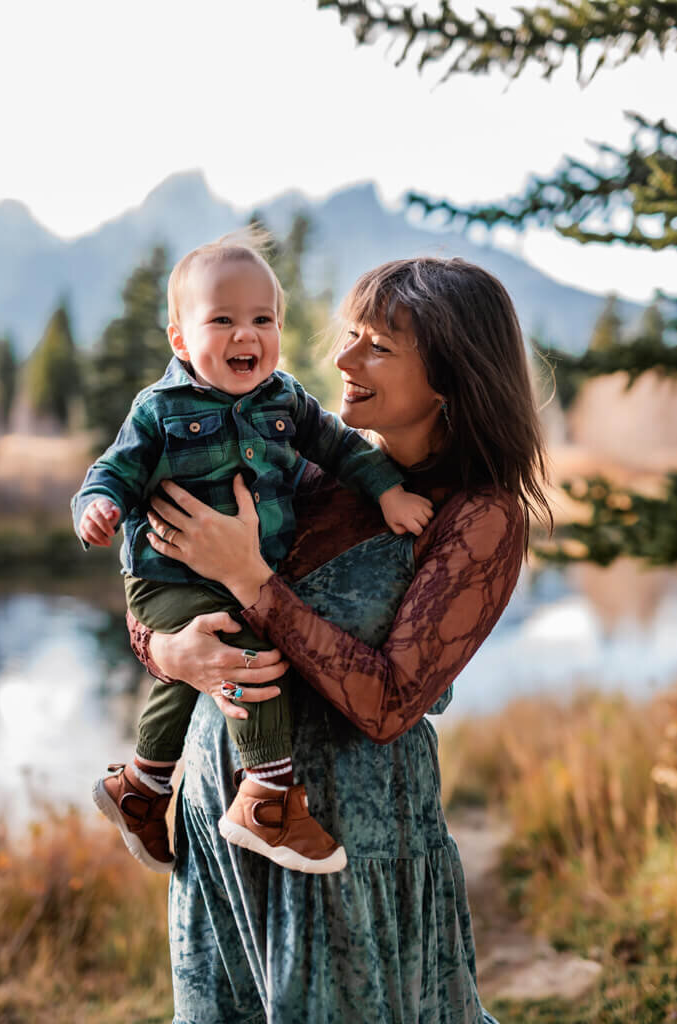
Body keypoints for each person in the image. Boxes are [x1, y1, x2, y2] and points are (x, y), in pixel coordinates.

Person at [129, 256, 551, 1023]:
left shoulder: (478, 517)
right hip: (219, 818)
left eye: (377, 346)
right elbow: (165, 581)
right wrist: (167, 653)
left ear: (450, 377)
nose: (342, 360)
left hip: (348, 843)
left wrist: (253, 580)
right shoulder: (304, 465)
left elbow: (388, 703)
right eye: (350, 335)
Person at [71, 231, 433, 875]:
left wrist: (388, 492)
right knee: (244, 650)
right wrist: (97, 507)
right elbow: (113, 472)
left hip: (232, 577)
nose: (247, 334)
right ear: (181, 340)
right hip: (165, 575)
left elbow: (342, 448)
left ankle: (141, 786)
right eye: (223, 320)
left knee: (203, 664)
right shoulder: (159, 410)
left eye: (263, 320)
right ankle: (267, 795)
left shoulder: (285, 400)